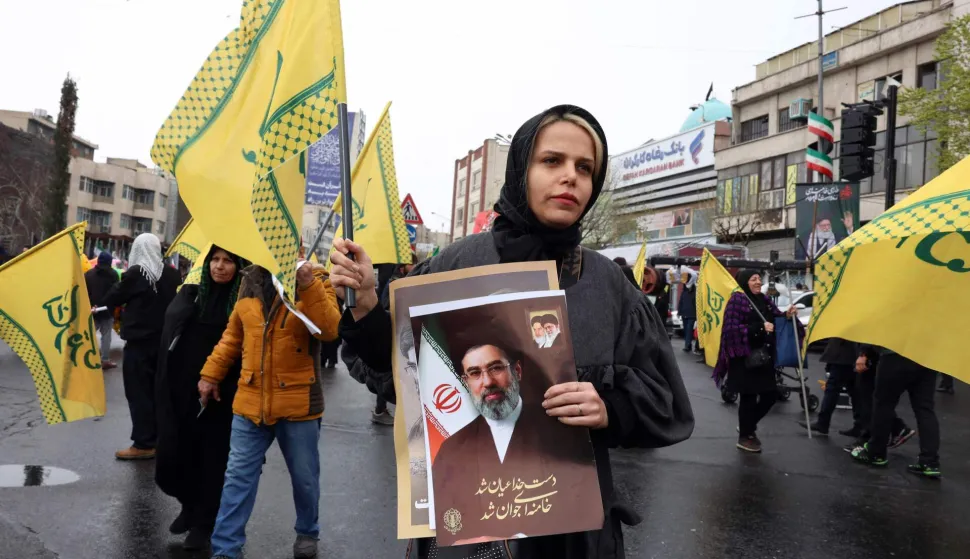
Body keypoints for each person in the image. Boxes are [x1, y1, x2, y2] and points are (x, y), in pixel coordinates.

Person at [331, 104, 694, 558]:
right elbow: (397, 374)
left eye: (585, 168)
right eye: (552, 161)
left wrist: (611, 407)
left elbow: (667, 402)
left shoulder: (608, 286)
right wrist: (367, 308)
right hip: (465, 533)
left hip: (572, 538)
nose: (571, 177)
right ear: (522, 168)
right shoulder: (456, 264)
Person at [198, 261, 341, 559]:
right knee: (238, 478)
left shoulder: (315, 278)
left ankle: (307, 531)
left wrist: (306, 285)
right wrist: (211, 374)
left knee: (304, 477)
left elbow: (329, 330)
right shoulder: (249, 280)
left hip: (299, 403)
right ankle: (226, 549)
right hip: (250, 400)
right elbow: (233, 336)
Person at [434, 343, 600, 544]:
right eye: (475, 373)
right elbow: (447, 517)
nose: (487, 381)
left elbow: (578, 503)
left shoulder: (561, 428)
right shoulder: (451, 449)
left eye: (496, 368)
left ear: (517, 371)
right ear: (466, 382)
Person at [155, 246, 248, 551]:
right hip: (185, 388)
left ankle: (204, 523)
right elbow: (172, 328)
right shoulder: (194, 294)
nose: (219, 267)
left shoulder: (243, 302)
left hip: (223, 393)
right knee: (180, 451)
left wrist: (218, 379)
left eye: (228, 261)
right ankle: (188, 505)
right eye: (215, 260)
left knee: (213, 459)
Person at [101, 233, 181, 460]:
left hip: (139, 344)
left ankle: (144, 443)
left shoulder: (137, 273)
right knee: (159, 393)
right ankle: (159, 439)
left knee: (139, 393)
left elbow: (112, 298)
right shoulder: (172, 274)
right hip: (165, 343)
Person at [714, 270, 796, 453]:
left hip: (762, 357)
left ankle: (748, 425)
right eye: (753, 279)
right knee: (748, 398)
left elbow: (776, 317)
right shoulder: (738, 299)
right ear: (745, 282)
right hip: (744, 357)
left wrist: (787, 315)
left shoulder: (764, 300)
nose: (758, 282)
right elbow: (731, 329)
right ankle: (745, 436)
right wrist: (759, 327)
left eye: (759, 278)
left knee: (771, 394)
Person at [849, 348, 940, 478]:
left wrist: (865, 353)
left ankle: (876, 453)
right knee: (925, 409)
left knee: (883, 404)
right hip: (927, 358)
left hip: (895, 355)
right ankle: (930, 462)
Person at [799, 338, 863, 437]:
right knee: (854, 390)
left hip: (843, 354)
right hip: (848, 354)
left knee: (833, 389)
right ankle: (860, 425)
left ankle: (823, 422)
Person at [85, 251, 120, 370]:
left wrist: (92, 305)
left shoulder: (89, 274)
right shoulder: (114, 274)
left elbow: (84, 293)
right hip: (107, 310)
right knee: (106, 336)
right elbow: (115, 292)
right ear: (110, 262)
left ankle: (83, 358)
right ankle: (105, 360)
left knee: (88, 335)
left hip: (91, 310)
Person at [677, 283, 697, 353]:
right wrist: (679, 312)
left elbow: (696, 304)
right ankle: (688, 344)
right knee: (686, 330)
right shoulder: (684, 293)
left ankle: (687, 345)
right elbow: (680, 302)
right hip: (684, 314)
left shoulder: (695, 293)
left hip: (692, 314)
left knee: (689, 329)